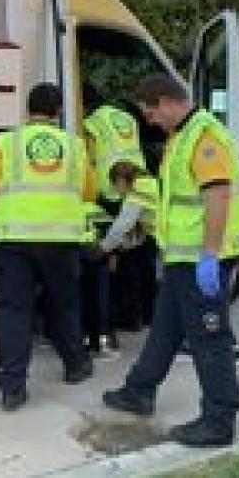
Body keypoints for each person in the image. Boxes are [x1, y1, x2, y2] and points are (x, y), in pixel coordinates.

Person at [101, 74, 239, 447]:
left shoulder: (204, 137)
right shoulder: (181, 137)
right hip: (181, 257)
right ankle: (139, 391)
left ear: (166, 101)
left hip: (201, 259)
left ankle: (219, 419)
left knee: (210, 337)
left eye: (150, 113)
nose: (150, 121)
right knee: (166, 328)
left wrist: (209, 255)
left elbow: (218, 198)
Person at [0, 82, 96, 411]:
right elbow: (89, 192)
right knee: (64, 306)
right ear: (58, 112)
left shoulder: (9, 142)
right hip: (61, 240)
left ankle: (12, 388)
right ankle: (75, 365)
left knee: (15, 311)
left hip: (14, 240)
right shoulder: (74, 146)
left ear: (28, 110)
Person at [84, 103, 155, 336]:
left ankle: (132, 318)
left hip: (112, 194)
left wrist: (103, 250)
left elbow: (121, 227)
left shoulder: (92, 123)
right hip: (155, 230)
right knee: (144, 266)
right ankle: (147, 316)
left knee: (130, 269)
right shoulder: (127, 118)